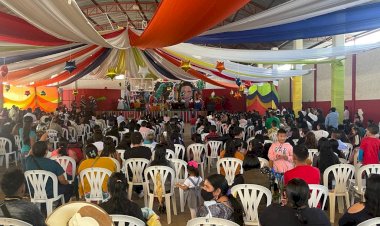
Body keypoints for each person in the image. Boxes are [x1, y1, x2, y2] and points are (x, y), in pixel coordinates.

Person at [260, 178, 330, 226]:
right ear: (309, 196)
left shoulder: (270, 211)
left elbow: (262, 222)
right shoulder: (320, 215)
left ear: (285, 195)